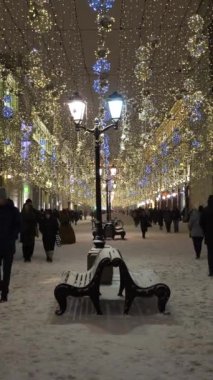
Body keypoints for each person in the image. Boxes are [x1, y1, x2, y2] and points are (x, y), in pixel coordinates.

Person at [0, 188, 20, 302]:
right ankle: (1, 287)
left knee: (7, 271)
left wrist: (12, 237)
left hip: (8, 245)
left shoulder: (13, 211)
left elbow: (18, 225)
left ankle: (4, 294)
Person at [200, 195, 213, 276]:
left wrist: (205, 230)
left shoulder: (205, 210)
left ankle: (211, 270)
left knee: (210, 253)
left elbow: (201, 223)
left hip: (209, 235)